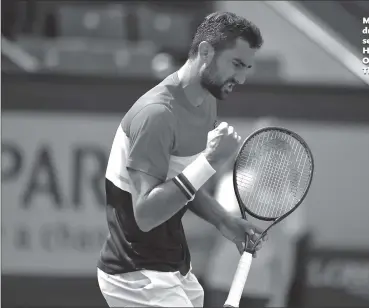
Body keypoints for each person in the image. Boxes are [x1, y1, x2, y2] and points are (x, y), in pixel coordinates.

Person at [96, 12, 266, 307]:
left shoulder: (206, 101)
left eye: (247, 68)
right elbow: (146, 214)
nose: (241, 78)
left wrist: (223, 220)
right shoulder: (156, 115)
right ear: (205, 52)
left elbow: (180, 183)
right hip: (135, 277)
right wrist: (210, 161)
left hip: (172, 268)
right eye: (236, 65)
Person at [204, 118, 307, 308]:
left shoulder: (291, 199)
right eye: (266, 148)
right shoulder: (231, 183)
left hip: (262, 289)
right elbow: (227, 222)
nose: (273, 157)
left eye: (279, 151)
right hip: (223, 283)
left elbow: (287, 254)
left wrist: (281, 294)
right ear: (255, 151)